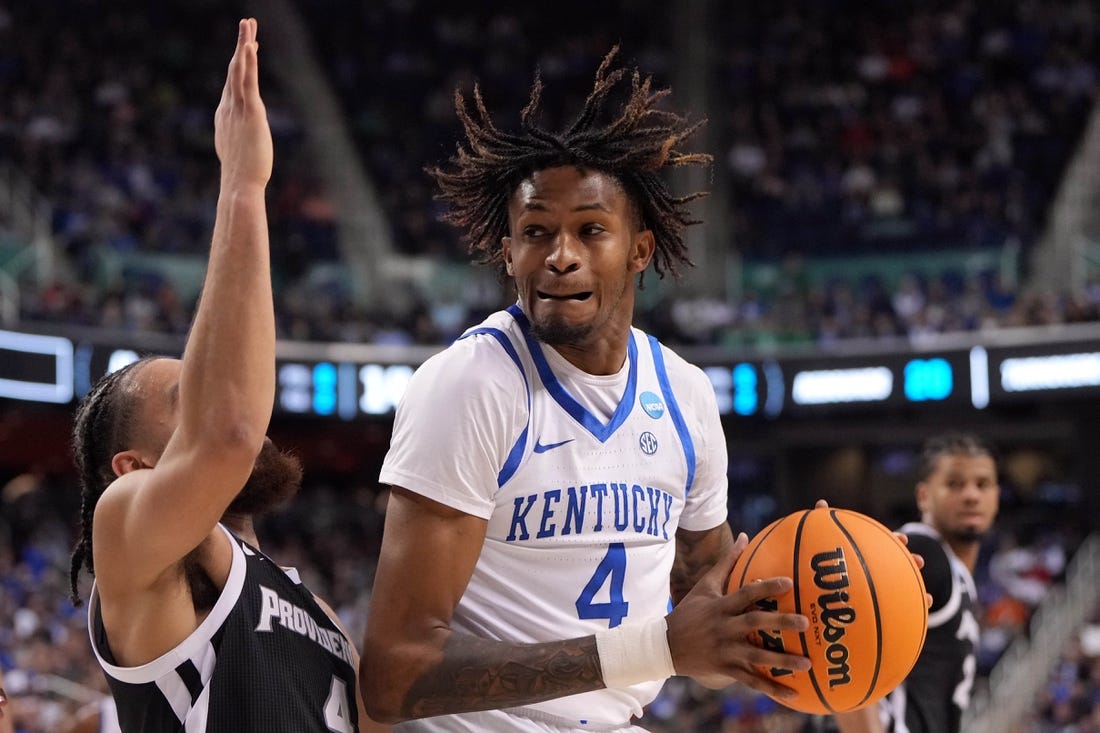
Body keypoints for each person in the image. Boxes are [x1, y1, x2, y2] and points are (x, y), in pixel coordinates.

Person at [360, 48, 813, 731]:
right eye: (536, 232)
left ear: (640, 250)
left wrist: (842, 589)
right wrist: (653, 646)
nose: (560, 254)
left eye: (590, 230)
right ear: (509, 252)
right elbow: (392, 675)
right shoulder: (472, 386)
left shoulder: (685, 397)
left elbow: (713, 642)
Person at [66, 19, 370, 732]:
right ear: (134, 465)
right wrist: (242, 182)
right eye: (184, 400)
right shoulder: (129, 537)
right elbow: (228, 431)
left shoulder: (313, 607)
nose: (214, 402)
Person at [834, 432, 1000, 733]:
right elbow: (843, 629)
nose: (972, 495)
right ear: (923, 496)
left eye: (983, 484)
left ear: (996, 497)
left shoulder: (955, 570)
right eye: (954, 484)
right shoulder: (924, 552)